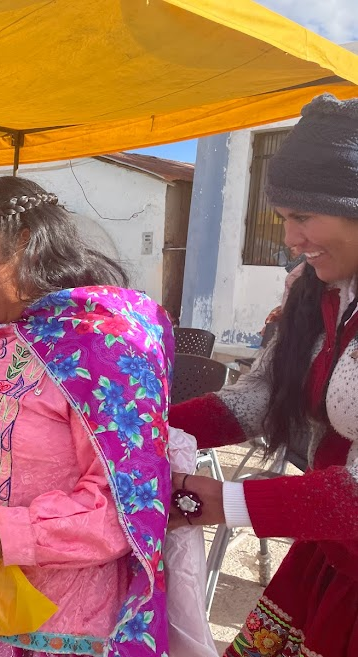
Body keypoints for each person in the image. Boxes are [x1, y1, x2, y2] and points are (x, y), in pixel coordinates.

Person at [0, 176, 173, 657]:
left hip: (53, 622)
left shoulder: (102, 347)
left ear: (24, 241)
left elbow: (126, 506)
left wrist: (8, 534)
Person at [168, 94, 358, 657]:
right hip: (333, 552)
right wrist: (136, 430)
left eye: (303, 216)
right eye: (283, 219)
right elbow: (257, 399)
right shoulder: (318, 293)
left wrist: (222, 501)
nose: (290, 239)